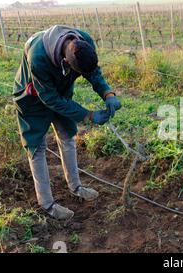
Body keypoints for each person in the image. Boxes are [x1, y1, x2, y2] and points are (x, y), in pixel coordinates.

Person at [13, 25, 121, 220]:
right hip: (33, 98)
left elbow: (93, 72)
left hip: (60, 93)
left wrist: (108, 93)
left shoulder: (84, 41)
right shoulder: (38, 57)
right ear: (65, 61)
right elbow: (50, 99)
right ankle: (47, 204)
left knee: (68, 136)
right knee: (37, 147)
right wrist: (88, 115)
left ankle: (76, 186)